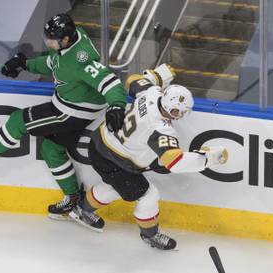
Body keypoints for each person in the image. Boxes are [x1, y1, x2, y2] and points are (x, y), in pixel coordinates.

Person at [0, 13, 127, 220]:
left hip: (70, 111)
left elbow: (110, 82)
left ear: (66, 39)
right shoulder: (68, 42)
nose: (49, 42)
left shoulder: (82, 58)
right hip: (72, 105)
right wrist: (24, 64)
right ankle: (73, 199)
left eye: (52, 40)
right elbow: (54, 63)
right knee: (51, 149)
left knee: (18, 120)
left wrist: (117, 105)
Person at [68, 64, 229, 250]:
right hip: (116, 160)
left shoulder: (151, 93)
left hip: (100, 143)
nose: (182, 115)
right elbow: (175, 163)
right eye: (181, 112)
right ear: (172, 110)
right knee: (148, 195)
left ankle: (82, 208)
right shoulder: (160, 128)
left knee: (115, 186)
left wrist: (156, 76)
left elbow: (132, 80)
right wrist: (208, 158)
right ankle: (150, 235)